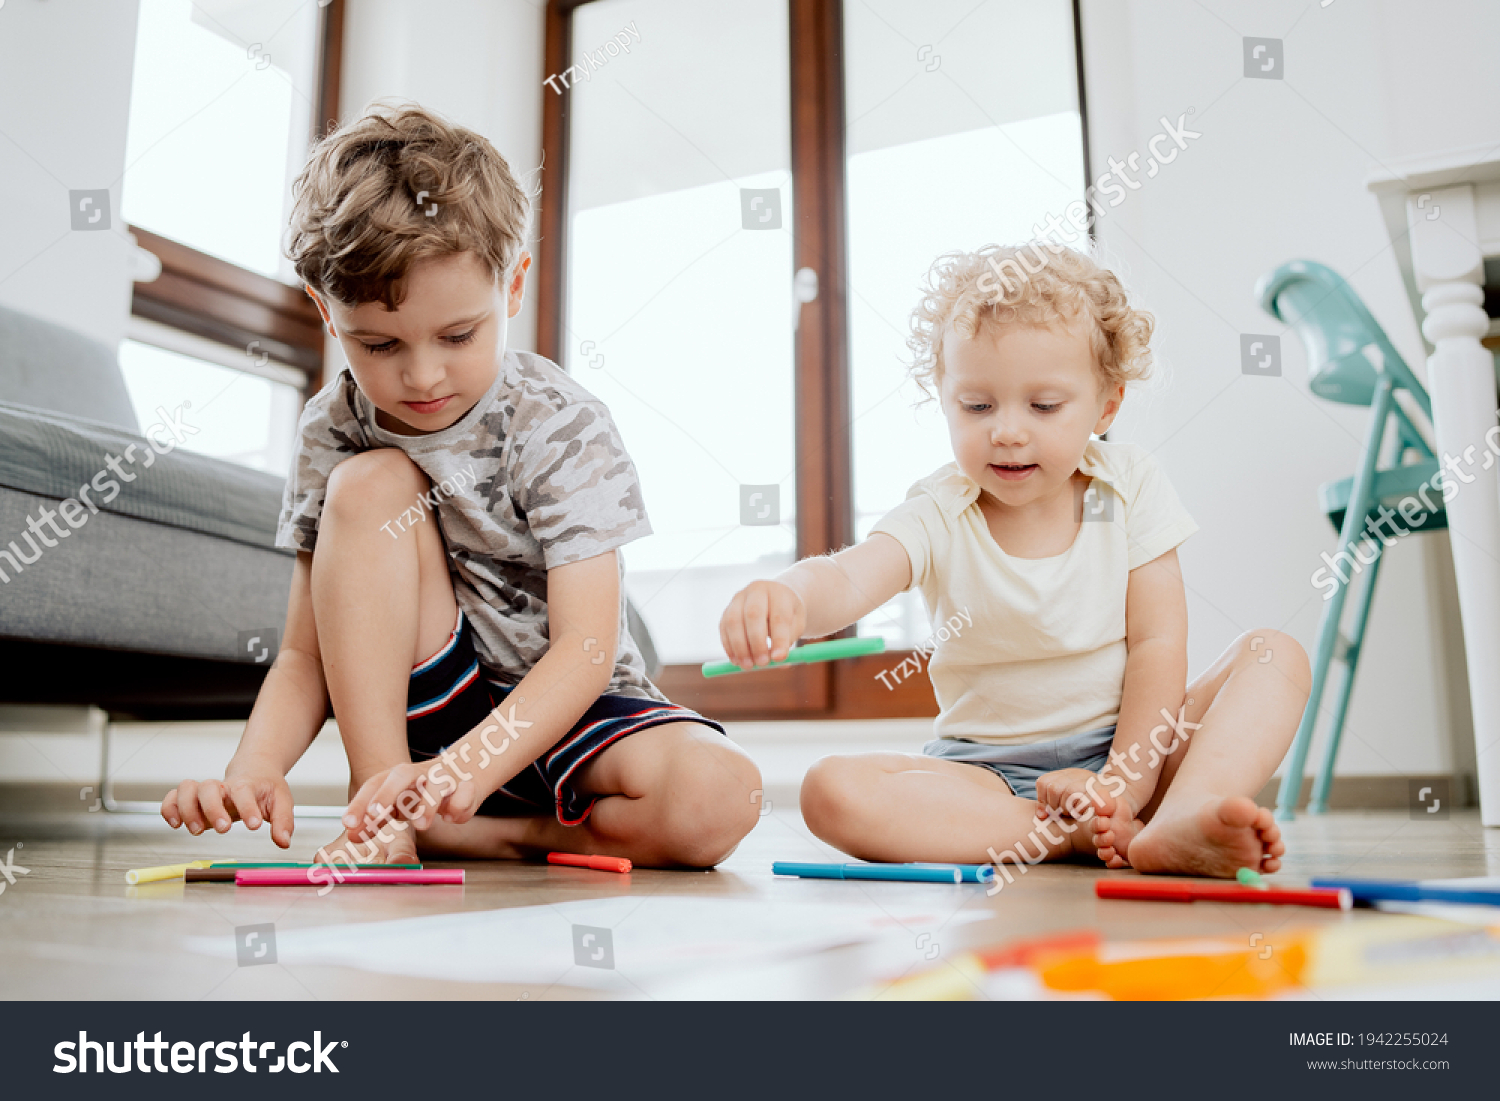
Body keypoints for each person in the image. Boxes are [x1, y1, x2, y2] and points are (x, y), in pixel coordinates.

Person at [161, 100, 761, 869]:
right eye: (379, 344)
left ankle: (485, 831)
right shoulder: (331, 429)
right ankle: (383, 808)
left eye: (457, 335)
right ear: (325, 312)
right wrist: (254, 767)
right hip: (431, 720)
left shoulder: (558, 421)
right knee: (366, 484)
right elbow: (305, 653)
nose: (422, 375)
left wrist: (465, 773)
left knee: (724, 792)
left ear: (513, 286)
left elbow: (585, 648)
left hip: (568, 710)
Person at [719, 243, 1310, 877]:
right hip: (986, 780)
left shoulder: (1128, 485)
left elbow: (1158, 645)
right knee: (829, 790)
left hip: (1135, 751)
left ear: (1106, 405)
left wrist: (1121, 786)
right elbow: (848, 575)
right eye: (977, 406)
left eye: (1044, 406)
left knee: (1276, 655)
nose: (1006, 431)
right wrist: (791, 596)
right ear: (945, 398)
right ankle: (1070, 836)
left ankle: (1183, 816)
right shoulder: (940, 511)